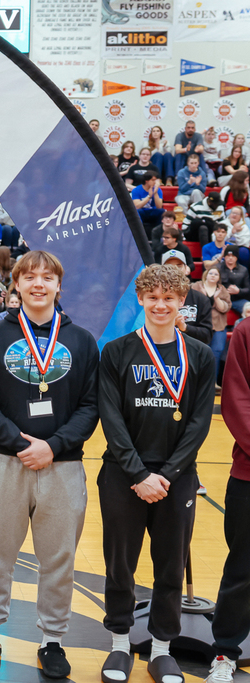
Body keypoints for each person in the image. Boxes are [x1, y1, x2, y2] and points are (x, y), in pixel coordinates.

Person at [0, 251, 100, 679]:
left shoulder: (81, 342)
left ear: (59, 286)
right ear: (16, 285)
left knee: (59, 558)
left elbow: (91, 406)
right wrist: (21, 443)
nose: (38, 284)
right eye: (29, 277)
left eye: (47, 277)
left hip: (61, 466)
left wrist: (54, 446)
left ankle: (53, 640)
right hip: (2, 462)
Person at [97, 264, 214, 683]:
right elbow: (110, 419)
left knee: (169, 566)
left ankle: (162, 650)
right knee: (120, 564)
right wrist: (137, 473)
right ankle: (119, 645)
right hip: (123, 475)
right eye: (153, 297)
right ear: (141, 300)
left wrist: (167, 473)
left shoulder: (199, 355)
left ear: (182, 301)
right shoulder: (116, 351)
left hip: (177, 476)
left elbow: (200, 423)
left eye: (169, 298)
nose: (161, 305)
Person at [205, 316, 250, 682]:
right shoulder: (248, 332)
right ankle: (225, 652)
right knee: (243, 569)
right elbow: (235, 399)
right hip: (249, 476)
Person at [193, 265, 232, 383]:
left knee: (217, 352)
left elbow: (225, 308)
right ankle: (198, 382)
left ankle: (212, 382)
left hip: (218, 326)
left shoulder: (222, 289)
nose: (213, 276)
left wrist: (216, 299)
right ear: (206, 274)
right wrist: (204, 298)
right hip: (200, 326)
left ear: (219, 277)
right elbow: (192, 304)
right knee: (200, 353)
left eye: (216, 274)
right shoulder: (196, 286)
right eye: (211, 273)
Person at [132, 173, 164, 240]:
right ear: (147, 181)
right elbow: (137, 206)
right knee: (137, 212)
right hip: (142, 212)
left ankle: (159, 235)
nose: (155, 182)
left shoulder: (158, 190)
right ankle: (139, 235)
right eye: (153, 180)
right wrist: (149, 196)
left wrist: (155, 193)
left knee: (161, 211)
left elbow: (159, 206)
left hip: (153, 211)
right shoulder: (136, 190)